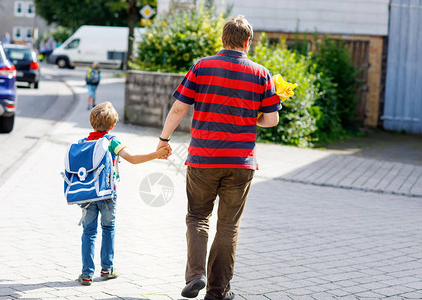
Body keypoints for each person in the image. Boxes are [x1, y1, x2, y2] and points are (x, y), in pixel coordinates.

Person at [156, 15, 281, 300]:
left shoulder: (202, 66)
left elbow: (178, 109)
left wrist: (164, 140)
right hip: (241, 162)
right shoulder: (262, 73)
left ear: (223, 40)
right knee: (228, 226)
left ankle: (196, 275)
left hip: (203, 158)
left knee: (198, 216)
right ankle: (217, 292)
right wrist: (254, 115)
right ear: (248, 42)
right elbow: (271, 120)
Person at [78, 102, 170, 286]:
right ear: (112, 126)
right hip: (107, 195)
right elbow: (133, 159)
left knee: (88, 232)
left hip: (87, 195)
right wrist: (157, 153)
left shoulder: (83, 142)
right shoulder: (112, 141)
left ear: (91, 123)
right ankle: (107, 269)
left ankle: (86, 274)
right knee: (108, 229)